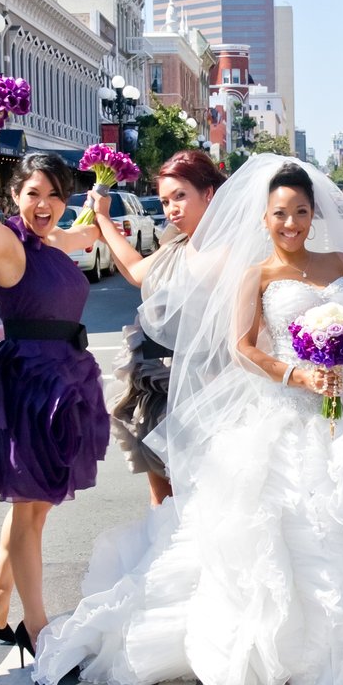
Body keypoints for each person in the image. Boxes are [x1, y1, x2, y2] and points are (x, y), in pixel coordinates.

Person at [31, 158, 343, 685]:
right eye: (280, 214)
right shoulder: (257, 274)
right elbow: (242, 347)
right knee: (281, 530)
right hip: (284, 412)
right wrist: (296, 374)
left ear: (313, 215)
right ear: (265, 219)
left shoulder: (339, 263)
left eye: (301, 212)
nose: (291, 223)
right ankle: (288, 646)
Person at [0, 137, 110, 659]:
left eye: (55, 195)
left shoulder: (54, 241)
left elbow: (87, 232)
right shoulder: (8, 245)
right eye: (34, 194)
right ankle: (37, 627)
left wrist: (99, 193)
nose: (44, 205)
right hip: (28, 386)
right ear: (15, 195)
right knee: (28, 511)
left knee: (38, 507)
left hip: (68, 381)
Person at [96, 149, 226, 507]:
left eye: (180, 196)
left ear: (209, 193)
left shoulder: (226, 250)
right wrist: (103, 218)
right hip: (157, 378)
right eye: (166, 201)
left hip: (200, 384)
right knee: (161, 497)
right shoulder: (177, 245)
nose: (171, 209)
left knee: (197, 495)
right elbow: (136, 271)